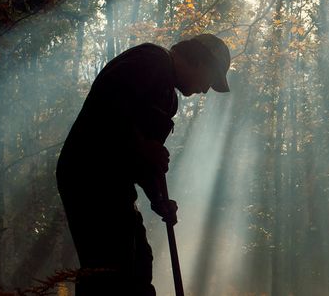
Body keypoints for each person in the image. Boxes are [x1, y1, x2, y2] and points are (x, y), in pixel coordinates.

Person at [57, 34, 231, 295]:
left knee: (138, 264)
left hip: (115, 184)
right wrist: (142, 145)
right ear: (200, 63)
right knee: (108, 269)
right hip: (88, 177)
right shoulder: (150, 61)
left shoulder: (168, 99)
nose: (205, 90)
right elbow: (106, 108)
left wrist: (159, 198)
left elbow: (143, 163)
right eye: (210, 80)